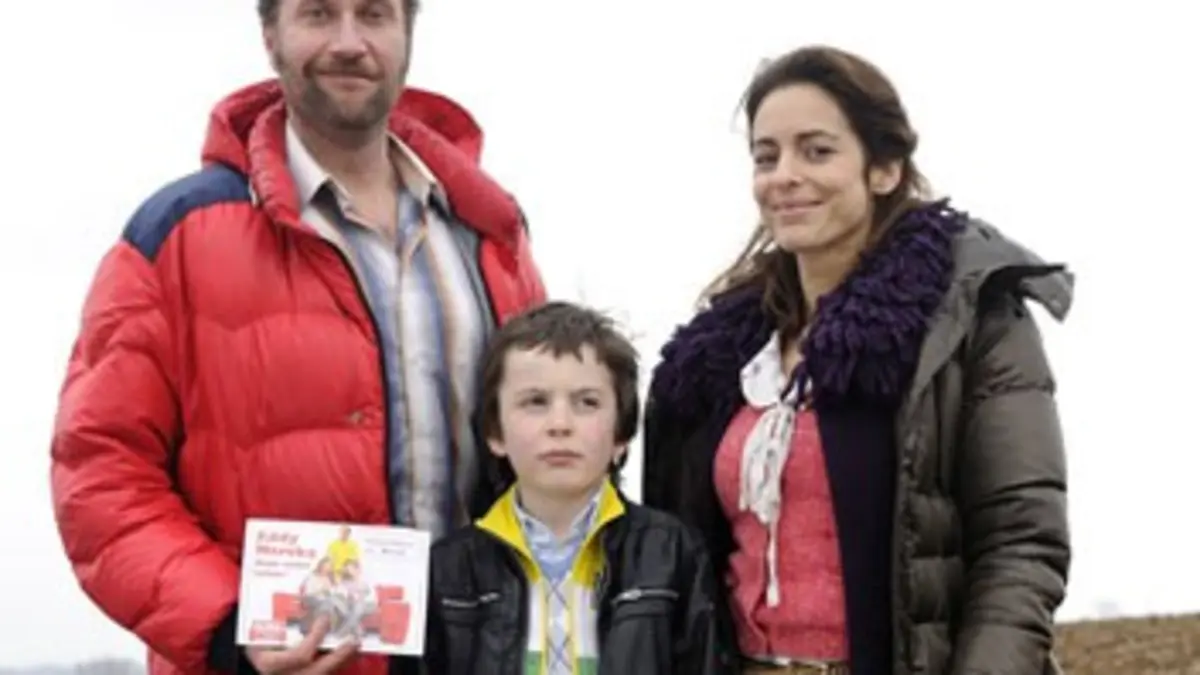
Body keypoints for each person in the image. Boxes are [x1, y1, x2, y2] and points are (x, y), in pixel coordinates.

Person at [48, 1, 545, 675]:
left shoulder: (488, 232)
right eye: (317, 14)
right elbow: (99, 471)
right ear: (270, 35)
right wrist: (228, 629)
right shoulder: (177, 234)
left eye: (374, 15)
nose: (349, 42)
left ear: (407, 33)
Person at [642, 45, 1072, 675]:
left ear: (885, 169)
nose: (784, 175)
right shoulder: (718, 358)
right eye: (766, 156)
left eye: (817, 151)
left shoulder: (967, 321)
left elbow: (1021, 545)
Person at [424, 301, 729, 675]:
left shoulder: (671, 552)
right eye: (535, 402)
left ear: (621, 435)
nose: (560, 424)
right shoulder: (448, 569)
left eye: (587, 403)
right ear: (495, 433)